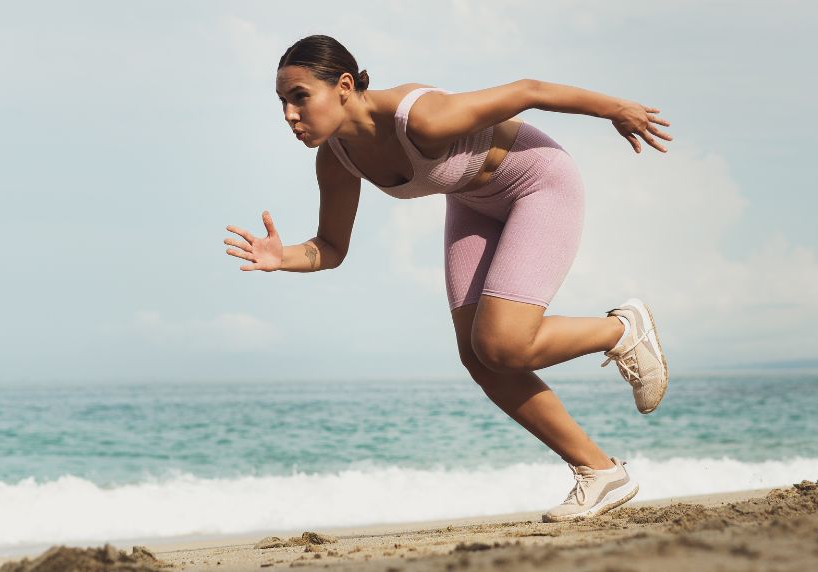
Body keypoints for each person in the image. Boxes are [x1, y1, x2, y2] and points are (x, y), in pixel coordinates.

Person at [223, 35, 672, 522]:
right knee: (478, 355)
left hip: (537, 182)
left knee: (503, 344)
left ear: (344, 86)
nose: (289, 114)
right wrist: (280, 257)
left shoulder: (421, 117)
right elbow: (331, 248)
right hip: (472, 200)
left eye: (300, 97)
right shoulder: (336, 158)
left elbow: (529, 90)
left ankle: (622, 330)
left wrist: (617, 109)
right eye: (283, 102)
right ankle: (600, 472)